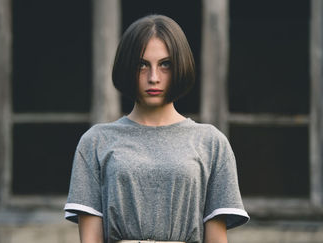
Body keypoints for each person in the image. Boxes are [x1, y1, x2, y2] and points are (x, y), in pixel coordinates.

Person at [64, 14, 249, 243]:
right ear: (126, 67)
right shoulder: (95, 141)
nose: (153, 77)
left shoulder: (211, 142)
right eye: (142, 65)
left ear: (180, 66)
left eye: (165, 65)